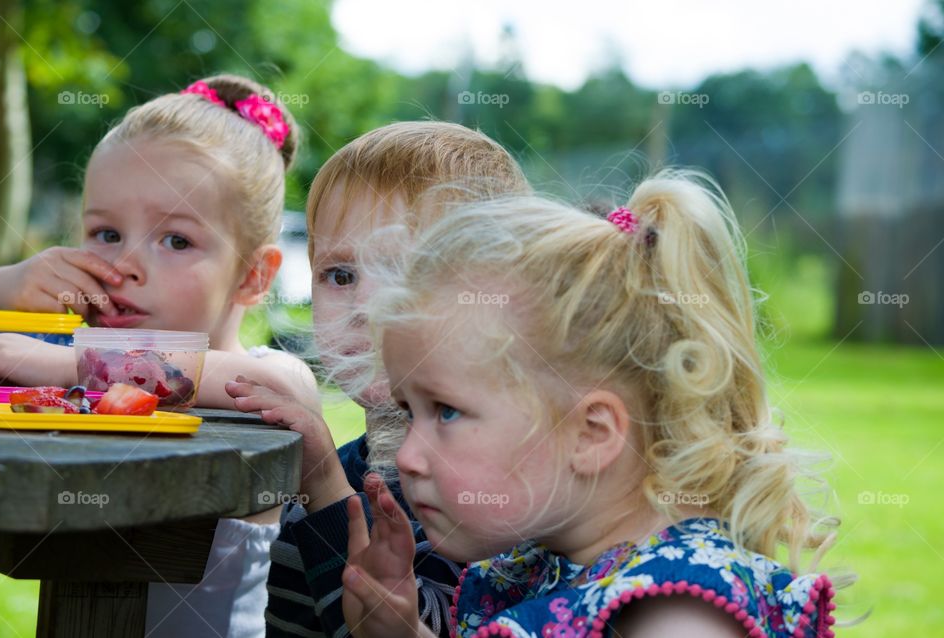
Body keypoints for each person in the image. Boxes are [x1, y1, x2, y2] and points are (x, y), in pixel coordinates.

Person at [342, 170, 847, 638]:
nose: (407, 456)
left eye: (446, 411)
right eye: (410, 411)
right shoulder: (558, 563)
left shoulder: (676, 614)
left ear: (593, 433)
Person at [0, 74, 319, 638]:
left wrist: (72, 365)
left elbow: (277, 387)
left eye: (177, 240)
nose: (126, 264)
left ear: (253, 275)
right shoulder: (64, 358)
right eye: (106, 233)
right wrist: (0, 287)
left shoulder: (270, 371)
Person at [225, 121, 531, 637]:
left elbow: (401, 626)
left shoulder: (490, 495)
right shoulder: (344, 465)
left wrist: (325, 493)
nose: (365, 308)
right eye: (341, 275)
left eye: (406, 274)